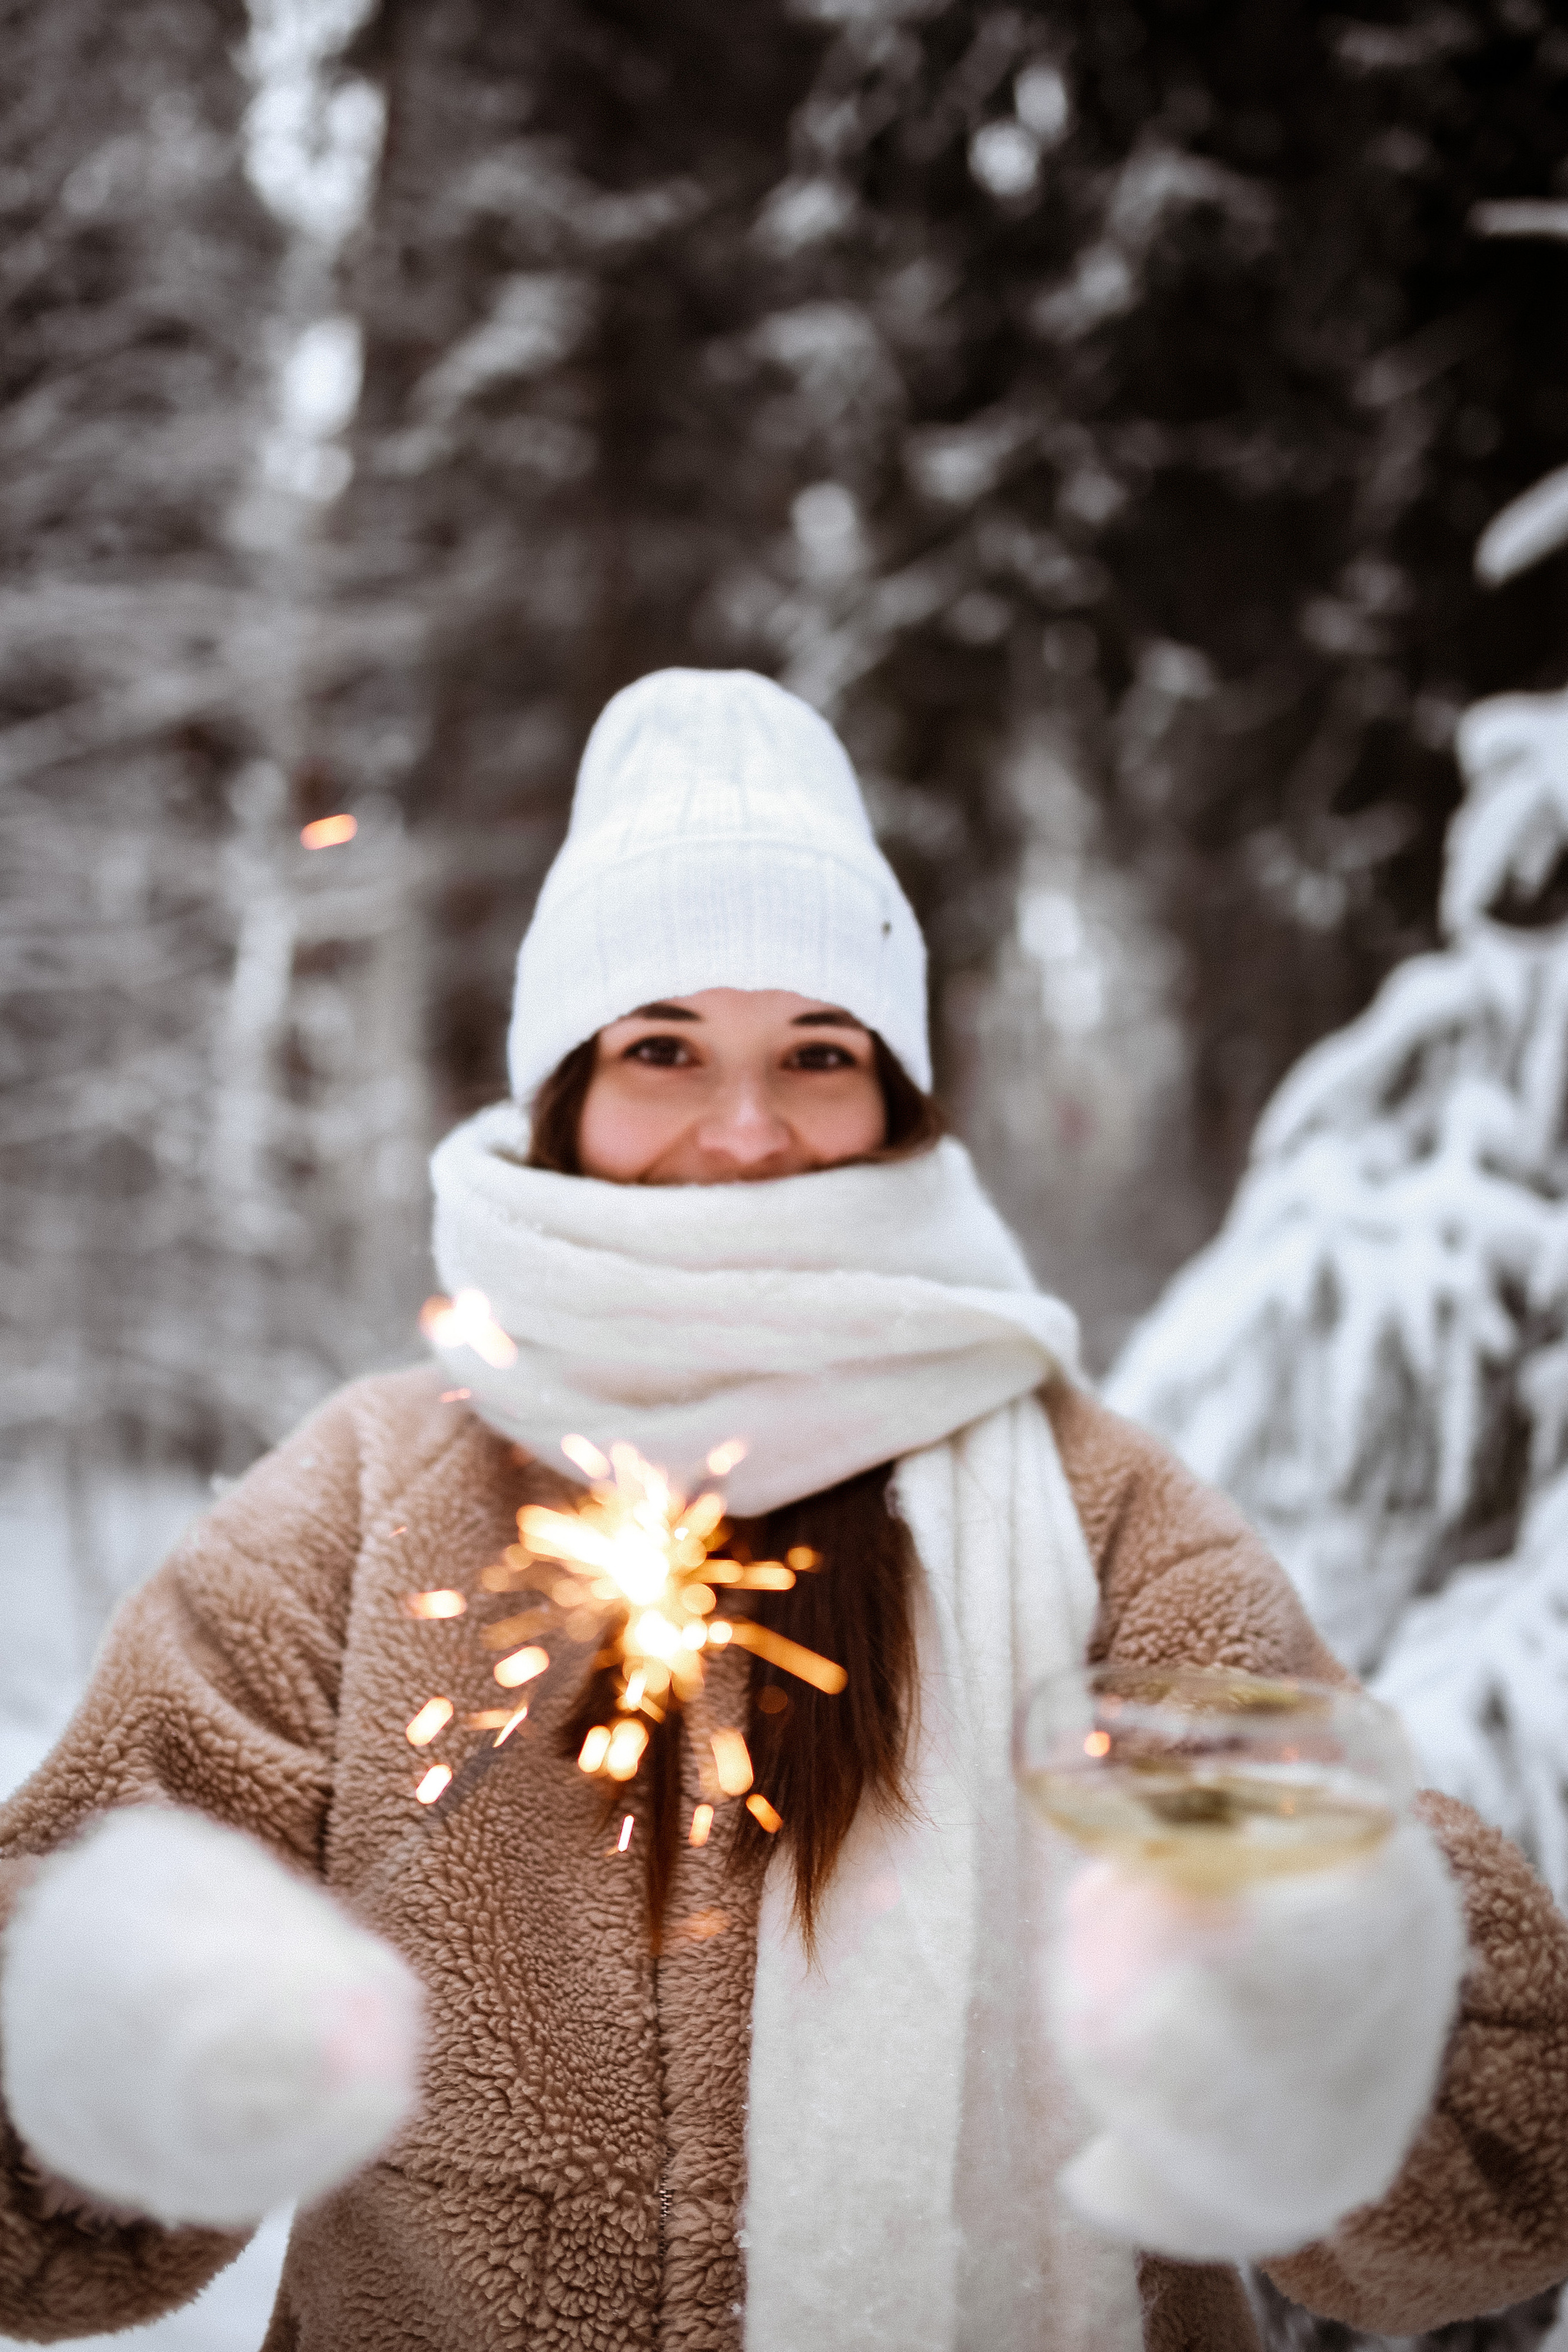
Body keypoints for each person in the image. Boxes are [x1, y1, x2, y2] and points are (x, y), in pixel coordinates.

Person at [1, 669, 1566, 2352]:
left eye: (817, 1054)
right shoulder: (367, 1494)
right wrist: (123, 2030)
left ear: (896, 1097)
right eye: (663, 1048)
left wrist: (1334, 1998)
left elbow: (1490, 2192)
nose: (745, 1132)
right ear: (566, 1096)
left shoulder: (1100, 1505)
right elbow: (41, 2220)